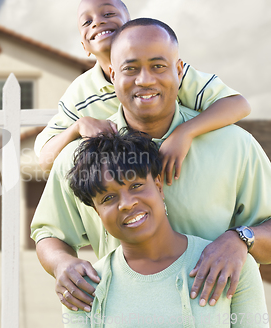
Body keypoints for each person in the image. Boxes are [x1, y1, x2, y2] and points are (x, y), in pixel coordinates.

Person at [31, 18, 271, 314]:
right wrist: (62, 264)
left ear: (179, 70)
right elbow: (48, 233)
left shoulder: (235, 145)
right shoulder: (81, 157)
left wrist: (241, 240)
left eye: (158, 66)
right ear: (111, 73)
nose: (144, 80)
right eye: (130, 68)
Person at [35, 0, 250, 188]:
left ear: (131, 25)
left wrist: (185, 132)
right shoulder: (80, 94)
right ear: (84, 46)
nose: (98, 22)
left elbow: (238, 105)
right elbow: (45, 159)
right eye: (87, 21)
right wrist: (77, 127)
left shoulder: (168, 74)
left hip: (186, 178)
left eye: (108, 13)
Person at [62, 130, 268, 328]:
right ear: (98, 213)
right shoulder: (84, 288)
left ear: (159, 187)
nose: (126, 203)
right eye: (107, 198)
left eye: (136, 186)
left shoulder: (230, 264)